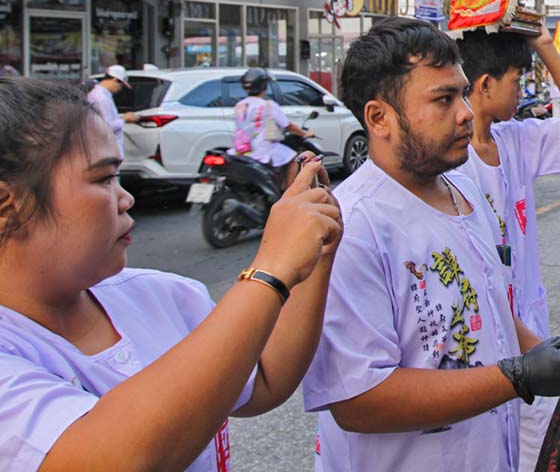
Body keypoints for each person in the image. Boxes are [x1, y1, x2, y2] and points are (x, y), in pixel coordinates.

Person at [302, 18, 560, 472]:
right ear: (379, 117)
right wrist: (520, 377)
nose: (465, 112)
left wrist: (558, 361)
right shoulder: (351, 226)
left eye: (463, 94)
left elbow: (496, 314)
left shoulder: (464, 191)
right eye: (444, 99)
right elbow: (358, 400)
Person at [0, 78, 342, 471]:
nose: (125, 198)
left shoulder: (159, 294)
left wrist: (315, 256)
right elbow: (118, 457)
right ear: (7, 206)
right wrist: (271, 270)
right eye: (104, 179)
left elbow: (262, 377)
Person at [456, 26, 560, 469]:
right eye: (517, 82)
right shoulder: (453, 159)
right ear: (484, 85)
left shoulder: (514, 138)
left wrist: (544, 46)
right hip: (481, 335)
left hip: (529, 329)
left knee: (535, 445)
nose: (522, 92)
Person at [233, 68, 314, 188]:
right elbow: (287, 126)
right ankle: (289, 194)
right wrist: (304, 133)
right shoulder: (268, 105)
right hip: (263, 149)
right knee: (293, 159)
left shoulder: (240, 105)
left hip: (242, 150)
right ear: (264, 86)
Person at [85, 64, 139, 158]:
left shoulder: (103, 95)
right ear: (114, 80)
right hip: (106, 154)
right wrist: (125, 119)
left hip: (107, 154)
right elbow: (107, 127)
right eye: (121, 84)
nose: (120, 88)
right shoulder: (101, 98)